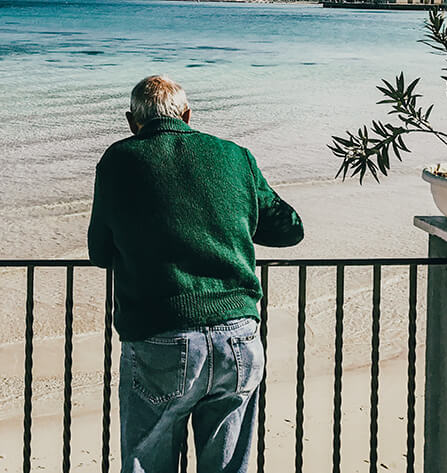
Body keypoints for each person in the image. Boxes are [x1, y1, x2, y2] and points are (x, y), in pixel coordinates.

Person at [87, 76, 304, 473]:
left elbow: (99, 252)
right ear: (188, 115)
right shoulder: (235, 156)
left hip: (160, 337)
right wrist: (226, 223)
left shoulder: (119, 160)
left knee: (147, 463)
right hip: (238, 334)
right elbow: (290, 229)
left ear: (131, 121)